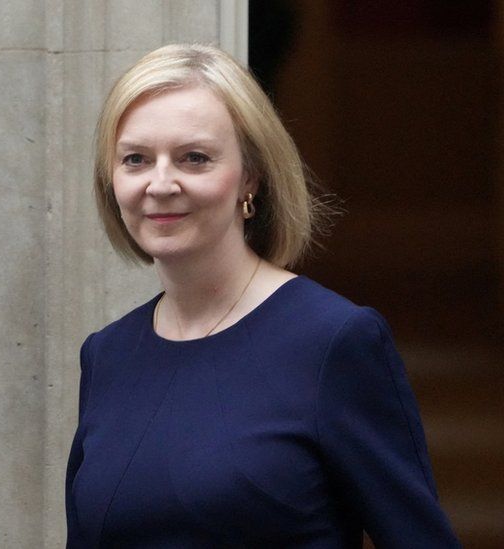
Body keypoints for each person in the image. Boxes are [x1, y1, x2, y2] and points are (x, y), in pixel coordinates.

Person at [65, 44, 460, 548]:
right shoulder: (107, 355)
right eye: (136, 159)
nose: (160, 183)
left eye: (195, 158)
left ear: (249, 177)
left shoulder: (334, 341)